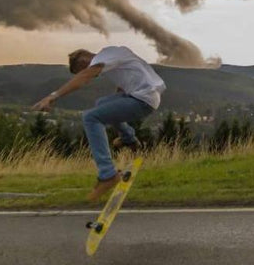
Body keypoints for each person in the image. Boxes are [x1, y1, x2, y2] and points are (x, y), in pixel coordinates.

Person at [32, 46, 165, 201]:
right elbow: (129, 77)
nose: (89, 76)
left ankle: (108, 174)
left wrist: (52, 96)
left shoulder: (102, 57)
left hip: (142, 100)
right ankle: (128, 138)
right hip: (143, 95)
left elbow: (86, 76)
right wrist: (115, 104)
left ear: (83, 60)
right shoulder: (113, 54)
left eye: (80, 70)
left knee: (90, 117)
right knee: (101, 104)